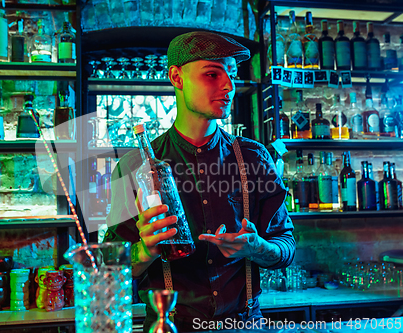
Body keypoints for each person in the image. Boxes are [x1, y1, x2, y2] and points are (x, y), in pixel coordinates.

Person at [103, 31, 295, 332]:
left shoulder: (254, 158)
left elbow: (287, 246)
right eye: (212, 74)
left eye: (231, 75)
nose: (229, 86)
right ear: (177, 78)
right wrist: (146, 249)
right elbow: (109, 275)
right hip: (170, 327)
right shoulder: (134, 167)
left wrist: (257, 247)